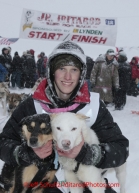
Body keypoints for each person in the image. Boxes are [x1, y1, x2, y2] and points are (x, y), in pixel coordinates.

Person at [0, 41, 129, 193]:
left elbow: (121, 148)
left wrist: (88, 154)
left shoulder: (93, 105)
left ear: (81, 73)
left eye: (74, 69)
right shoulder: (32, 105)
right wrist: (26, 153)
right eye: (62, 68)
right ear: (52, 71)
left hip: (84, 179)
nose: (68, 76)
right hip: (45, 182)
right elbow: (4, 142)